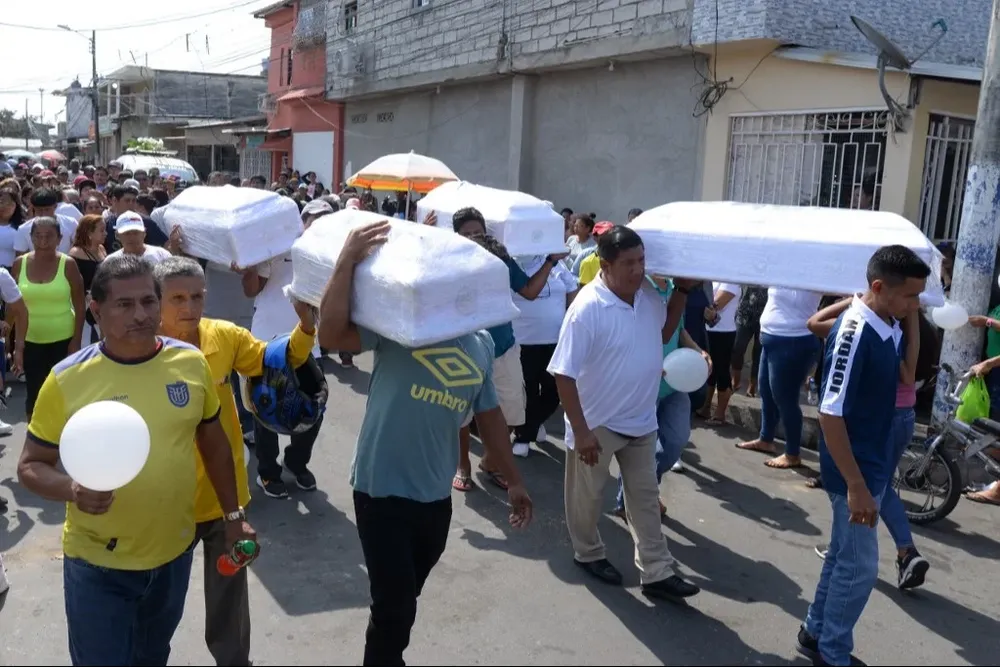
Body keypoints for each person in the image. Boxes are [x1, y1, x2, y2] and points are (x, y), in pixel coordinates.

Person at [16, 254, 257, 667]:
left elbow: (214, 443)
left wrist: (233, 517)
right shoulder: (67, 379)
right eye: (124, 304)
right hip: (98, 564)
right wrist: (72, 489)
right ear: (96, 310)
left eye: (148, 301)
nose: (141, 314)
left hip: (172, 557)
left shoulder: (190, 363)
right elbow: (30, 465)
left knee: (152, 657)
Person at [317, 219, 532, 665]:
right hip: (381, 488)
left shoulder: (481, 343)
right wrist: (348, 258)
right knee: (394, 606)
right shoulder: (404, 321)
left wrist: (514, 480)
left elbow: (489, 415)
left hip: (435, 496)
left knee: (403, 599)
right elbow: (332, 336)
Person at [155, 256, 316, 666]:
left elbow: (272, 360)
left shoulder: (224, 336)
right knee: (157, 602)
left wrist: (305, 328)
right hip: (164, 502)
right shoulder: (140, 349)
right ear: (156, 301)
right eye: (177, 298)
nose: (189, 307)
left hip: (224, 500)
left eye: (197, 296)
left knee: (228, 598)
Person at [548, 225, 699, 599]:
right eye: (629, 263)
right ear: (605, 264)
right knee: (587, 499)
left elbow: (662, 334)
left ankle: (657, 571)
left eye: (642, 261)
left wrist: (681, 292)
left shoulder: (647, 296)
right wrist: (581, 431)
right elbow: (563, 374)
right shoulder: (586, 309)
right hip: (597, 424)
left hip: (641, 420)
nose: (638, 269)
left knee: (645, 498)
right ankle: (588, 552)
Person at [797, 245, 929, 667]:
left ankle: (815, 633)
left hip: (870, 462)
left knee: (843, 556)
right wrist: (855, 485)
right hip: (852, 469)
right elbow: (830, 414)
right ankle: (833, 654)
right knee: (860, 569)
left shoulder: (888, 323)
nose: (915, 305)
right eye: (910, 296)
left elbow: (904, 375)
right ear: (878, 287)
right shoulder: (854, 331)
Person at [807, 296, 930, 591]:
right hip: (904, 416)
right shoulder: (906, 331)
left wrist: (853, 299)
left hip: (881, 419)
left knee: (871, 488)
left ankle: (905, 551)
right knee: (876, 486)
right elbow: (909, 374)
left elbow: (813, 323)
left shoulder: (874, 331)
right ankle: (857, 548)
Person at [448, 207, 564, 487]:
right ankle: (462, 466)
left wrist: (550, 261)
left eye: (477, 232)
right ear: (456, 237)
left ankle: (491, 461)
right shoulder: (449, 264)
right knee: (461, 417)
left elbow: (530, 291)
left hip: (504, 349)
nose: (473, 238)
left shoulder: (502, 260)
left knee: (513, 412)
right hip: (464, 349)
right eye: (466, 234)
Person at [239, 203, 325, 498]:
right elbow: (251, 290)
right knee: (266, 408)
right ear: (302, 220)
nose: (319, 224)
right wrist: (249, 265)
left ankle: (296, 462)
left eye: (326, 219)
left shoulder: (330, 254)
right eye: (315, 218)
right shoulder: (276, 245)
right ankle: (268, 471)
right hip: (267, 340)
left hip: (309, 342)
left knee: (314, 408)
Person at [614, 275, 709, 519]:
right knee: (639, 448)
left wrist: (698, 351)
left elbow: (679, 328)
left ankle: (644, 491)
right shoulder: (641, 286)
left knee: (676, 441)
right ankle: (629, 501)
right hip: (646, 382)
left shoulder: (675, 286)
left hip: (675, 382)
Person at [737, 288, 824, 469]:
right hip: (770, 337)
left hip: (794, 340)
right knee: (766, 391)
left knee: (785, 399)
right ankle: (766, 439)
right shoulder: (782, 272)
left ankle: (792, 454)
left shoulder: (814, 274)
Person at [12, 217, 85, 420]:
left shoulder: (68, 264)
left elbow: (80, 305)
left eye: (49, 236)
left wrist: (76, 341)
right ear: (31, 237)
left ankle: (63, 435)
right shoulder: (19, 264)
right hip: (31, 339)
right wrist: (16, 346)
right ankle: (33, 435)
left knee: (63, 393)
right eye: (38, 236)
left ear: (59, 239)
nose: (43, 241)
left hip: (63, 339)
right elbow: (13, 306)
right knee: (34, 394)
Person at [697, 282, 741, 425]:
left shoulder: (731, 282)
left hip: (724, 333)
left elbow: (716, 304)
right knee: (711, 371)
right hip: (710, 330)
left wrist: (702, 306)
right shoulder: (715, 279)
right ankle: (706, 407)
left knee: (722, 372)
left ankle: (720, 414)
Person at [68, 214, 107, 344]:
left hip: (101, 301)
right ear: (90, 233)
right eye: (101, 230)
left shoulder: (102, 249)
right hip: (83, 304)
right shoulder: (76, 254)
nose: (105, 234)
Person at [14, 187, 79, 255]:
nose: (43, 214)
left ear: (55, 206)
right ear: (33, 208)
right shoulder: (23, 229)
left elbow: (78, 248)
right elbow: (21, 256)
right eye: (39, 210)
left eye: (47, 209)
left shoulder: (71, 223)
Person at [107, 211, 174, 265]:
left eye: (136, 232)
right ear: (117, 235)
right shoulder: (110, 262)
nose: (132, 237)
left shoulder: (162, 255)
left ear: (144, 233)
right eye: (127, 233)